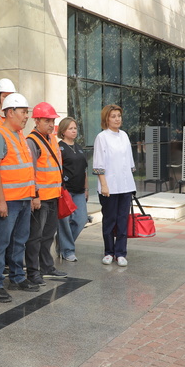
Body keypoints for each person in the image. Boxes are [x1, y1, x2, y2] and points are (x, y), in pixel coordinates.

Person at [0, 92, 39, 302]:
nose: (26, 117)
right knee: (1, 243)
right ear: (10, 112)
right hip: (8, 201)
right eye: (23, 112)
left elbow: (26, 169)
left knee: (20, 241)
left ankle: (17, 277)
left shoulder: (20, 136)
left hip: (24, 199)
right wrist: (0, 200)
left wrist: (32, 194)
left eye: (27, 112)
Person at [25, 102, 67, 284]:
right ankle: (33, 272)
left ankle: (47, 267)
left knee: (49, 234)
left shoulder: (51, 139)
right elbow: (30, 172)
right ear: (37, 120)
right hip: (40, 199)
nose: (51, 124)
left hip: (53, 196)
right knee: (35, 237)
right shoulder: (32, 141)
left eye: (52, 121)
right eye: (47, 120)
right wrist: (35, 196)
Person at [93, 104, 136, 267]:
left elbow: (129, 162)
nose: (117, 119)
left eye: (119, 115)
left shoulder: (124, 135)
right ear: (106, 119)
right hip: (109, 187)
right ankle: (109, 252)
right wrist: (104, 185)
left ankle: (121, 253)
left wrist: (132, 185)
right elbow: (99, 163)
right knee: (110, 220)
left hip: (125, 186)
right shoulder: (102, 137)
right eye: (113, 116)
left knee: (123, 220)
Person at [57, 117, 88, 262]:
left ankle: (62, 243)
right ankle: (68, 250)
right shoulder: (59, 148)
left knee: (81, 220)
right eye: (70, 128)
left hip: (80, 190)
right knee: (64, 222)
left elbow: (85, 170)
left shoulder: (79, 148)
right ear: (63, 131)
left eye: (75, 128)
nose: (74, 131)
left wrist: (86, 188)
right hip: (65, 191)